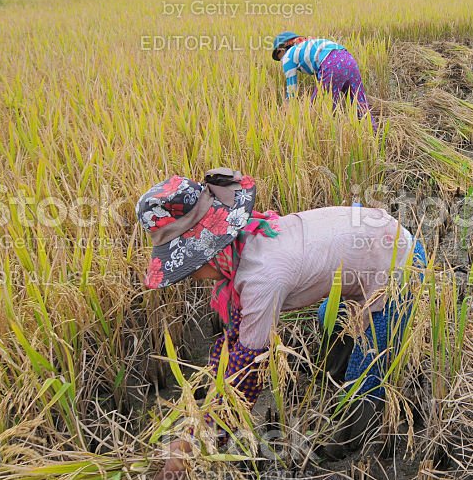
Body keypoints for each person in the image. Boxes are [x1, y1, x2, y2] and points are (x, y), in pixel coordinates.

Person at [138, 169, 426, 479]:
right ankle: (334, 377)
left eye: (187, 267)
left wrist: (196, 442)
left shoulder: (262, 276)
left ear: (207, 253)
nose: (189, 275)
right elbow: (233, 339)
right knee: (330, 318)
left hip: (399, 264)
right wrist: (205, 398)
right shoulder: (245, 242)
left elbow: (249, 371)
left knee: (364, 376)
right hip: (367, 248)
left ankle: (348, 443)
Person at [272, 32, 370, 114]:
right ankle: (371, 131)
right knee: (360, 102)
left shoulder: (287, 56)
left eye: (279, 56)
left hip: (331, 63)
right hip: (348, 58)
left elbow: (292, 87)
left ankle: (323, 134)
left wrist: (289, 108)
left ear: (281, 49)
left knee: (318, 108)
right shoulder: (309, 45)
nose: (281, 60)